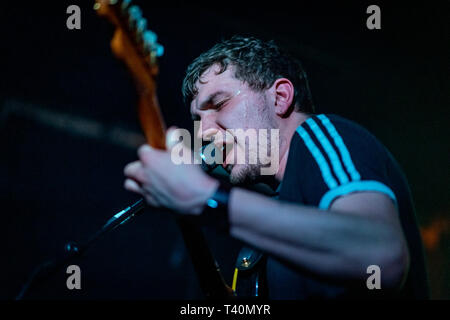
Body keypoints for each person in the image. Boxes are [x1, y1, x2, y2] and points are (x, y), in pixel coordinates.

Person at [123, 36, 429, 299]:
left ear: (281, 97)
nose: (203, 134)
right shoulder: (274, 226)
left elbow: (380, 255)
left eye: (218, 104)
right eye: (197, 121)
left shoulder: (319, 135)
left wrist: (205, 197)